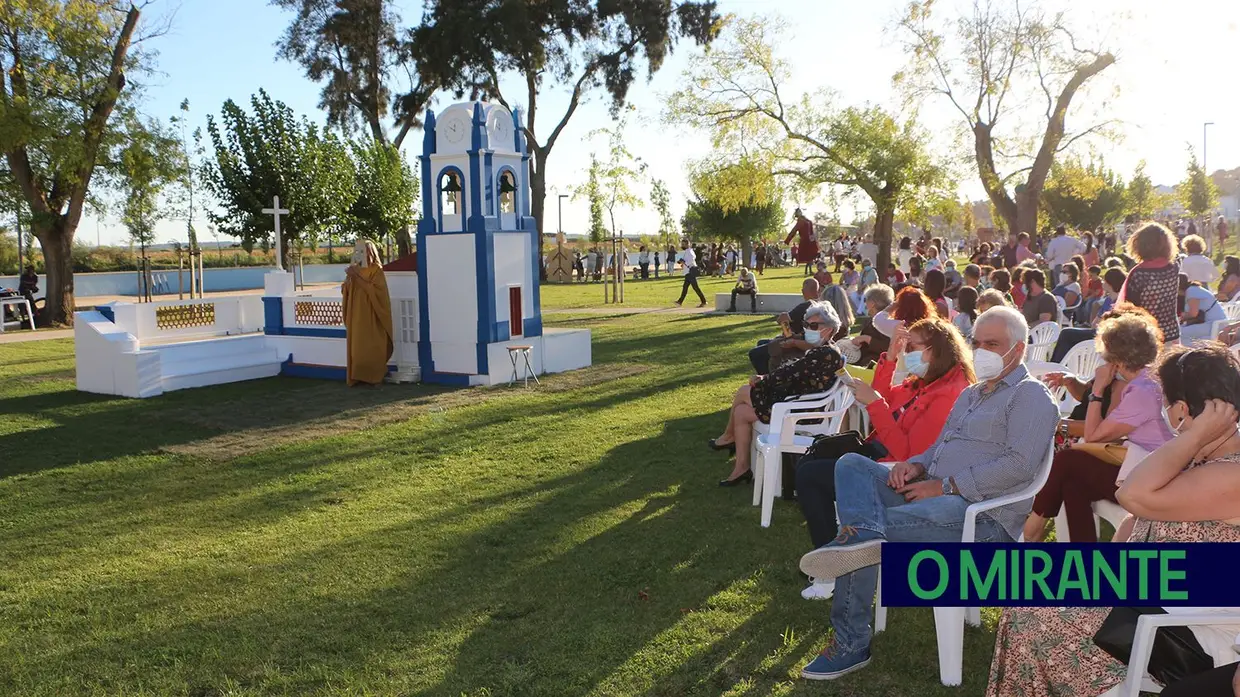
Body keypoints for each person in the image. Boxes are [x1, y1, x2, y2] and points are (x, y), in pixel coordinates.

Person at [798, 306, 1057, 681]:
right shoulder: (972, 394)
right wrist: (916, 465)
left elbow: (1019, 466)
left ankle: (851, 640)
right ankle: (859, 537)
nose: (982, 350)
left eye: (993, 344)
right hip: (929, 494)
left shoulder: (1030, 397)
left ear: (1017, 350)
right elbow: (940, 447)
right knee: (851, 464)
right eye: (978, 342)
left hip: (979, 517)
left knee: (868, 531)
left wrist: (946, 485)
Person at [987, 344, 1240, 697]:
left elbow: (1132, 495)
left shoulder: (1232, 475)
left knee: (1038, 617)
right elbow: (1134, 520)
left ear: (1184, 409)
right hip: (1146, 601)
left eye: (1167, 404)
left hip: (1188, 628)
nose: (1166, 414)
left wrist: (1194, 435)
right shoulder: (1198, 461)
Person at [795, 317, 975, 600]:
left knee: (811, 476)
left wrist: (875, 404)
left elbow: (909, 455)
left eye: (913, 347)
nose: (908, 354)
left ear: (937, 349)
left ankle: (832, 571)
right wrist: (890, 358)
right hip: (881, 452)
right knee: (809, 463)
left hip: (898, 470)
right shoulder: (930, 379)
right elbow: (886, 396)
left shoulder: (949, 393)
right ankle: (834, 552)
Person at [1024, 309, 1172, 542]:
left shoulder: (1141, 391)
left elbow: (1093, 436)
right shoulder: (1145, 381)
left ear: (1118, 361)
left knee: (1068, 460)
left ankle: (1032, 528)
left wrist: (1097, 389)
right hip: (1145, 469)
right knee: (1073, 484)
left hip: (1153, 481)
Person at [709, 302, 844, 486]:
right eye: (806, 324)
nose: (807, 329)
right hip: (795, 403)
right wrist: (765, 378)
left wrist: (763, 379)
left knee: (744, 391)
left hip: (802, 412)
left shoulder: (826, 353)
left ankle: (727, 437)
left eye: (813, 326)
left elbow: (789, 373)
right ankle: (741, 468)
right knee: (741, 412)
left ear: (828, 330)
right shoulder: (823, 349)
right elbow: (793, 373)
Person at [341, 240, 394, 386]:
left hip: (373, 313)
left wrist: (356, 276)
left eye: (364, 251)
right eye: (358, 251)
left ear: (371, 252)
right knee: (357, 347)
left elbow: (376, 291)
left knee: (374, 345)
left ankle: (376, 377)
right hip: (357, 314)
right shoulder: (354, 269)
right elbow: (345, 289)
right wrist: (349, 279)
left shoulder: (376, 270)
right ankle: (358, 377)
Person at [1119, 222, 1181, 344]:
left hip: (1147, 336)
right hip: (1172, 332)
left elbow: (1128, 308)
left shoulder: (1139, 273)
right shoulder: (1173, 268)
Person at [748, 278, 821, 374]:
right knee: (761, 343)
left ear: (803, 291)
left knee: (755, 353)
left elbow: (782, 318)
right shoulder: (820, 304)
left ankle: (766, 380)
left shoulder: (806, 305)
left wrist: (787, 333)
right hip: (804, 340)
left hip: (796, 343)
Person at [851, 284, 894, 366]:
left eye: (865, 300)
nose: (865, 303)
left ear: (872, 303)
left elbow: (889, 347)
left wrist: (867, 339)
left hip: (877, 365)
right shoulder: (875, 319)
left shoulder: (886, 321)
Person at [1179, 273, 1226, 346]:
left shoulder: (1191, 291)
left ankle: (1188, 352)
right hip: (1213, 323)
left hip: (1212, 324)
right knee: (1182, 330)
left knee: (1179, 333)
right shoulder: (1194, 289)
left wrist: (1180, 316)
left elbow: (1193, 314)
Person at [673, 240, 707, 308]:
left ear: (687, 244)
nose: (682, 246)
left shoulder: (689, 251)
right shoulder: (687, 251)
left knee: (695, 288)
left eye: (683, 244)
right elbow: (687, 260)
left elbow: (692, 258)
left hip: (690, 272)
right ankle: (680, 301)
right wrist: (682, 262)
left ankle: (704, 301)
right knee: (685, 287)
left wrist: (685, 263)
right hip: (688, 272)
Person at [785, 208, 818, 275]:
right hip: (805, 241)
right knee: (809, 256)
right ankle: (808, 270)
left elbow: (811, 230)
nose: (800, 212)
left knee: (812, 256)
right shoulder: (800, 222)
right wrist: (787, 240)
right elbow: (793, 231)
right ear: (797, 214)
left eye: (800, 211)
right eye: (798, 212)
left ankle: (808, 270)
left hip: (810, 240)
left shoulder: (806, 220)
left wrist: (814, 238)